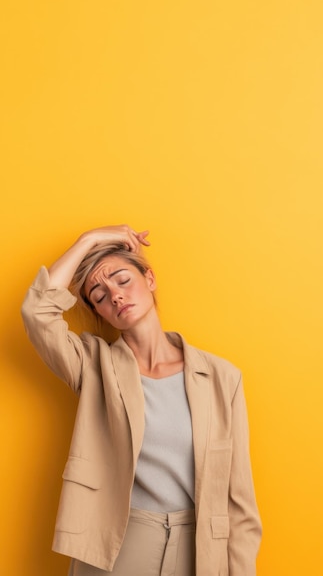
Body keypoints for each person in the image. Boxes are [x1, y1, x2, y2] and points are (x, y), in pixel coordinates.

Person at [21, 224, 262, 576]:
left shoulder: (222, 377)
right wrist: (88, 240)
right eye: (99, 296)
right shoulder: (93, 365)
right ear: (99, 312)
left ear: (149, 279)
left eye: (122, 280)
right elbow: (37, 313)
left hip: (199, 549)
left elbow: (239, 499)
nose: (115, 296)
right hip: (116, 543)